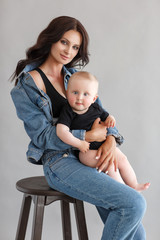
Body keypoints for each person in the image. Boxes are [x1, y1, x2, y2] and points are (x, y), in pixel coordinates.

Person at [11, 16, 147, 239]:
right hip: (60, 161)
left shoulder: (75, 77)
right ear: (51, 40)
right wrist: (87, 135)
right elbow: (42, 136)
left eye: (75, 47)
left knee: (132, 217)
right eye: (64, 42)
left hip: (93, 153)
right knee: (134, 204)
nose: (69, 51)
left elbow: (102, 115)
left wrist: (111, 141)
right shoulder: (26, 87)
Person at [56, 71, 150, 192]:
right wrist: (79, 143)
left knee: (122, 159)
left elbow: (107, 117)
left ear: (94, 98)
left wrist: (111, 119)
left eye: (86, 94)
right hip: (87, 152)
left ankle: (134, 185)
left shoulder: (95, 107)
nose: (79, 97)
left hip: (103, 146)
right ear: (67, 93)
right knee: (110, 166)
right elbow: (61, 132)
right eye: (75, 92)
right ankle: (125, 191)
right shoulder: (68, 111)